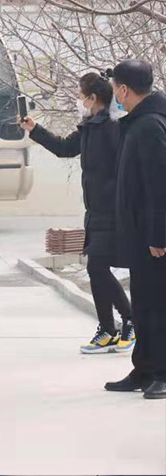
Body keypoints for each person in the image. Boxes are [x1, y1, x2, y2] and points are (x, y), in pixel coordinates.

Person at [21, 73, 133, 354]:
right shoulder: (88, 127)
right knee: (96, 268)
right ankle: (110, 329)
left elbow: (125, 169)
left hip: (112, 210)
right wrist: (35, 129)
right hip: (94, 211)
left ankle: (127, 322)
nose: (78, 99)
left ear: (93, 98)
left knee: (96, 267)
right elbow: (64, 148)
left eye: (80, 94)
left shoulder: (113, 127)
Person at [103, 60, 166, 400]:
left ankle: (162, 373)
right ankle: (144, 369)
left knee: (158, 307)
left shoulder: (150, 126)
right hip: (141, 236)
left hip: (153, 239)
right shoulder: (138, 123)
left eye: (115, 88)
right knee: (143, 305)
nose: (115, 94)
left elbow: (160, 186)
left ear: (124, 90)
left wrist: (159, 235)